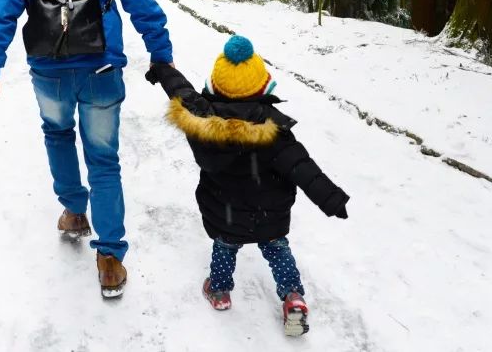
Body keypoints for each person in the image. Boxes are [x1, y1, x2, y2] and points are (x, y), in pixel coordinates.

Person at [0, 0, 174, 298]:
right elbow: (142, 2)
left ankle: (72, 212)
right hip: (102, 68)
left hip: (49, 71)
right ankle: (109, 259)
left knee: (58, 134)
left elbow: (1, 10)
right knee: (104, 159)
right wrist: (161, 53)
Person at [145, 36, 350, 336]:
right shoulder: (275, 135)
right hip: (270, 217)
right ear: (264, 88)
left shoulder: (204, 122)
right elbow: (304, 169)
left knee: (225, 248)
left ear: (214, 87)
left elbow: (182, 91)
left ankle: (219, 291)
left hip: (226, 213)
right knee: (278, 250)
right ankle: (292, 295)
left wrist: (162, 69)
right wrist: (332, 199)